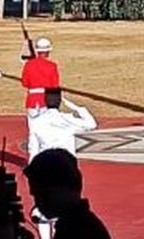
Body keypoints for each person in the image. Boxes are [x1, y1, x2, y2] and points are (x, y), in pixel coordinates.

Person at [29, 89, 99, 239]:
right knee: (64, 206)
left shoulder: (36, 121)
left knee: (44, 209)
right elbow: (91, 124)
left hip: (45, 167)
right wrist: (76, 107)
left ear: (45, 100)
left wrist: (33, 170)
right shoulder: (67, 119)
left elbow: (32, 148)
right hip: (66, 169)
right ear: (60, 101)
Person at [23, 149, 111, 239]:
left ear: (65, 187)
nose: (38, 202)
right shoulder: (79, 224)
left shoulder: (76, 230)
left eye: (43, 194)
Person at [21, 37, 60, 135]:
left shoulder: (28, 65)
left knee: (33, 129)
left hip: (32, 100)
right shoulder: (52, 66)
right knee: (47, 129)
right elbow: (55, 85)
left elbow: (25, 83)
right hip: (47, 100)